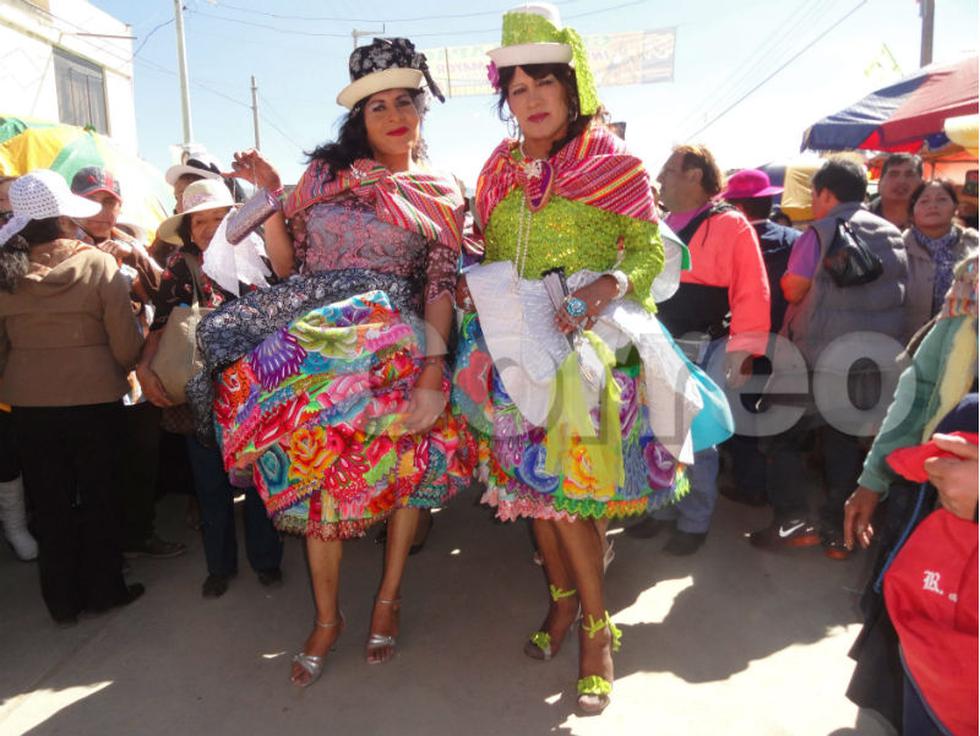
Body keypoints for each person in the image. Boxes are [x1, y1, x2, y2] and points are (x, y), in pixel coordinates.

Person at [455, 4, 729, 713]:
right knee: (535, 497)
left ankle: (596, 628)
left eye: (544, 82)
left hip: (592, 348)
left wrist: (603, 289)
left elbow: (647, 253)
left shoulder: (615, 163)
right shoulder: (497, 170)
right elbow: (492, 249)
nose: (531, 100)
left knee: (573, 498)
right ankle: (562, 601)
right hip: (513, 344)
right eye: (517, 89)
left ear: (571, 85)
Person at [188, 37, 472, 687]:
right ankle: (326, 617)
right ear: (359, 119)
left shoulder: (440, 191)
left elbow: (437, 285)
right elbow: (291, 267)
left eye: (406, 102)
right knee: (319, 484)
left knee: (402, 476)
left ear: (422, 109)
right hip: (318, 351)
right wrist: (270, 202)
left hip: (398, 352)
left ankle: (388, 600)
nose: (395, 115)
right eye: (378, 107)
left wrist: (433, 374)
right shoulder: (321, 177)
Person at [0, 169, 145, 624]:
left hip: (29, 406)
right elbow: (125, 345)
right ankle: (105, 590)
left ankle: (61, 603)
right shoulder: (98, 264)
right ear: (65, 217)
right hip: (96, 400)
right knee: (101, 496)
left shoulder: (6, 271)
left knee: (50, 503)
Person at [753, 158, 909, 558]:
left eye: (814, 194)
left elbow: (794, 289)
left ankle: (793, 524)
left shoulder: (820, 232)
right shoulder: (893, 234)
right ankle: (840, 535)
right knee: (841, 440)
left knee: (780, 435)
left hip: (815, 355)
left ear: (825, 193)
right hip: (869, 359)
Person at [137, 178, 283, 599]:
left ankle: (267, 561)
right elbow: (160, 327)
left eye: (220, 217)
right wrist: (145, 368)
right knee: (211, 485)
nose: (209, 227)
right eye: (200, 221)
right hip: (203, 395)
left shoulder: (262, 261)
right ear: (187, 227)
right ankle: (219, 567)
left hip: (258, 390)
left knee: (260, 480)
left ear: (238, 220)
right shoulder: (181, 268)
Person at [627, 144, 770, 554]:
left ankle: (694, 520)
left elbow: (751, 289)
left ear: (694, 175)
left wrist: (744, 350)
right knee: (655, 432)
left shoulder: (731, 224)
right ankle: (661, 509)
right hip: (659, 344)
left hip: (707, 345)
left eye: (669, 171)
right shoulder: (659, 223)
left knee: (697, 436)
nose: (660, 179)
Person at [69, 166, 184, 560]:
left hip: (138, 373)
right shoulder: (65, 245)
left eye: (110, 202)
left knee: (142, 459)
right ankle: (106, 551)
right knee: (98, 466)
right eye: (92, 202)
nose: (103, 212)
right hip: (92, 373)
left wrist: (135, 257)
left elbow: (165, 293)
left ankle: (139, 533)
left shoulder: (130, 241)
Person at [721, 169, 800, 507]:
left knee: (741, 411)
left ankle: (750, 483)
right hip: (785, 340)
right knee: (777, 414)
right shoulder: (796, 241)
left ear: (737, 207)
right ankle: (774, 481)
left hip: (740, 340)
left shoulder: (729, 239)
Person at [903, 179, 978, 337]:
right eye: (924, 201)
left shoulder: (974, 245)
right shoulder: (898, 247)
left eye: (941, 199)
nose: (933, 206)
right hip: (907, 342)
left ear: (955, 207)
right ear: (912, 210)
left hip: (963, 340)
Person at [870, 153, 923, 230]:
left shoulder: (934, 220)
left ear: (921, 183)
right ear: (880, 183)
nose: (901, 181)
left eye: (909, 175)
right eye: (893, 174)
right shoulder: (858, 220)